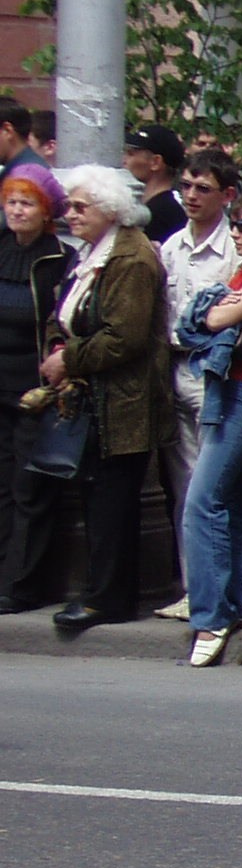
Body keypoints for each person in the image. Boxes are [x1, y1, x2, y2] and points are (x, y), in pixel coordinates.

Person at [36, 168, 174, 631]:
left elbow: (125, 337)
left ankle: (107, 598)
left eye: (80, 207)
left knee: (112, 499)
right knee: (97, 494)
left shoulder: (131, 257)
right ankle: (101, 591)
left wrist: (68, 359)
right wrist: (59, 345)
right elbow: (68, 310)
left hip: (124, 399)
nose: (69, 215)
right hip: (94, 394)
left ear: (110, 210)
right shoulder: (93, 252)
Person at [178, 188, 242, 667]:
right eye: (236, 225)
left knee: (202, 502)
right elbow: (194, 322)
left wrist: (214, 311)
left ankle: (209, 616)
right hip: (226, 388)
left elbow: (214, 316)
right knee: (235, 499)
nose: (238, 233)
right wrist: (210, 312)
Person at [158, 149, 242, 610]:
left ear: (227, 195)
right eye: (185, 187)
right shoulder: (172, 246)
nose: (191, 196)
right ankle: (195, 588)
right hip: (176, 367)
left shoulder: (234, 247)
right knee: (184, 484)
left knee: (213, 486)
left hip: (215, 371)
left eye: (202, 188)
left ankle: (229, 588)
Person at [0, 163, 70, 612]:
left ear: (46, 212)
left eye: (27, 203)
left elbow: (59, 321)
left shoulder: (58, 258)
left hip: (31, 388)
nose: (17, 211)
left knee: (29, 486)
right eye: (11, 201)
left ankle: (21, 584)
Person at [123, 124, 188, 241]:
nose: (124, 160)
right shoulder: (154, 208)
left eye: (131, 153)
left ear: (155, 162)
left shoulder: (164, 214)